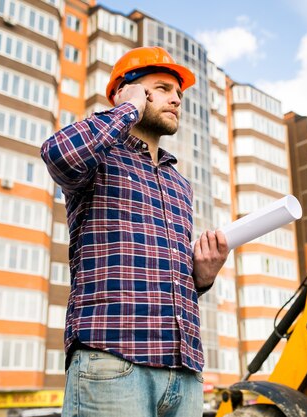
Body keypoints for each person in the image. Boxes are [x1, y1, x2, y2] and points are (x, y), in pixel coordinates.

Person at [40, 46, 229, 417]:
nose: (176, 98)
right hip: (113, 362)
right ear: (127, 91)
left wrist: (202, 278)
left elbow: (172, 281)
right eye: (162, 88)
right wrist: (125, 110)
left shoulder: (180, 185)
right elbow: (58, 154)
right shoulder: (100, 155)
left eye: (179, 93)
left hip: (184, 374)